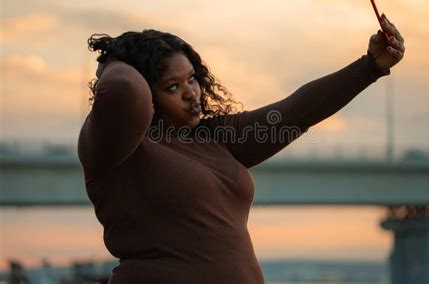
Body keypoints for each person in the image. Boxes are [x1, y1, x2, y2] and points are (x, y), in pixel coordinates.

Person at [77, 14, 404, 283]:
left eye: (191, 79)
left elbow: (295, 112)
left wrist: (370, 66)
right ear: (147, 96)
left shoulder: (212, 138)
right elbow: (123, 89)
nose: (191, 93)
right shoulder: (116, 146)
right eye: (172, 87)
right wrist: (113, 59)